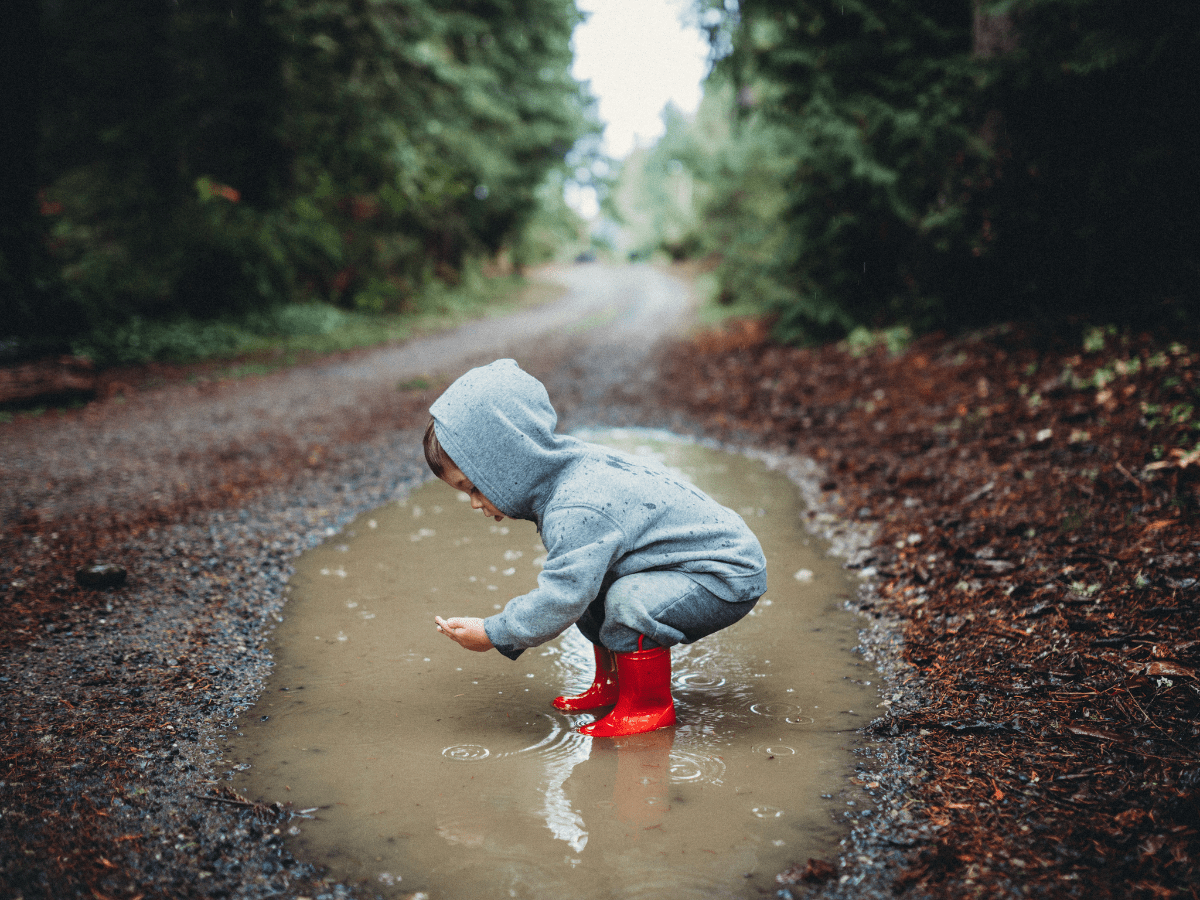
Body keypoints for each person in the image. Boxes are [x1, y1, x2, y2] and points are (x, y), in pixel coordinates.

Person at [425, 359, 767, 737]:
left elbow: (561, 598)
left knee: (625, 599)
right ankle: (612, 685)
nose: (474, 503)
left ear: (508, 463)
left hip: (724, 572)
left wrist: (493, 632)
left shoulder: (575, 506)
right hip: (684, 564)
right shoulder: (561, 474)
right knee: (595, 584)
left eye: (474, 487)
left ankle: (647, 707)